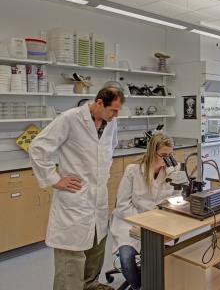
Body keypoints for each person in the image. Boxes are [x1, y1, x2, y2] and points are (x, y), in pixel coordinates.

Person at [29, 87, 125, 290]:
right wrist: (54, 179)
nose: (117, 115)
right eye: (114, 110)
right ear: (99, 103)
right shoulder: (70, 119)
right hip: (74, 197)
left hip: (98, 198)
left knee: (96, 250)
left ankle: (90, 285)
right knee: (70, 257)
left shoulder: (110, 123)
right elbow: (38, 148)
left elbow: (110, 148)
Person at [110, 133, 177, 290]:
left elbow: (175, 197)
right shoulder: (133, 171)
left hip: (160, 223)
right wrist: (145, 220)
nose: (168, 159)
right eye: (164, 155)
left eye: (171, 154)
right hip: (130, 222)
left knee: (163, 257)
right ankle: (138, 286)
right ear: (152, 152)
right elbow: (122, 205)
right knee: (127, 259)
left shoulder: (172, 170)